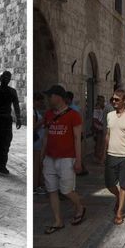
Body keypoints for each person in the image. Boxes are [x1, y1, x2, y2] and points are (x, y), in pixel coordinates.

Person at [41, 85, 86, 234]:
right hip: (50, 157)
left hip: (67, 158)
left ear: (58, 97)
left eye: (50, 96)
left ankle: (79, 206)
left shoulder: (73, 115)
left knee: (66, 190)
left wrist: (78, 161)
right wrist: (42, 156)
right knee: (52, 190)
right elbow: (46, 135)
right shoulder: (48, 114)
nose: (48, 99)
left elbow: (77, 139)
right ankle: (58, 221)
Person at [103, 89, 125, 225]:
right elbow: (108, 134)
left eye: (117, 100)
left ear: (124, 101)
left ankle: (120, 212)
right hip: (111, 155)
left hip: (124, 156)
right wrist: (103, 152)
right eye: (113, 99)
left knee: (123, 185)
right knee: (109, 184)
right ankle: (118, 197)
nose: (114, 102)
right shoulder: (110, 115)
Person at [33, 92, 46, 194]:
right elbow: (33, 127)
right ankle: (35, 186)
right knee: (36, 164)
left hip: (38, 141)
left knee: (38, 164)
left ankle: (38, 184)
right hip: (36, 141)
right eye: (40, 101)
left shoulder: (35, 111)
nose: (42, 103)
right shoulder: (33, 112)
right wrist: (43, 121)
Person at [92, 95, 106, 163]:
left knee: (101, 143)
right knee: (99, 142)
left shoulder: (103, 107)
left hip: (102, 127)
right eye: (102, 100)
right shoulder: (96, 109)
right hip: (98, 127)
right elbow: (95, 119)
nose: (103, 102)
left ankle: (99, 156)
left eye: (103, 100)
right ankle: (97, 156)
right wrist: (102, 124)